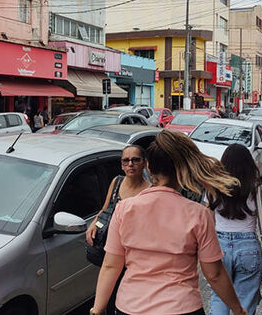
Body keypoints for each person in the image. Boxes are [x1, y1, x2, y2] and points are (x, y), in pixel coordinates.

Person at [90, 130, 247, 315]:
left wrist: (97, 309)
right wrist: (238, 310)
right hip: (181, 307)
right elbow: (214, 273)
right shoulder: (198, 214)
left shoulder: (124, 209)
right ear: (181, 169)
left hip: (130, 306)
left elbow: (111, 266)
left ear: (148, 167)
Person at [209, 144, 262, 315]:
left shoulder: (214, 187)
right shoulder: (257, 188)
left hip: (219, 247)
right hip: (248, 246)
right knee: (246, 300)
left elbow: (207, 221)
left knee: (219, 296)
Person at [85, 145, 151, 314]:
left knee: (125, 299)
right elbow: (105, 208)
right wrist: (94, 223)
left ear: (144, 163)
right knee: (108, 293)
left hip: (133, 257)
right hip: (111, 250)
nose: (130, 164)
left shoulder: (149, 191)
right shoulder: (117, 182)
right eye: (126, 160)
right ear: (121, 165)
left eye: (135, 160)